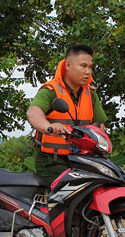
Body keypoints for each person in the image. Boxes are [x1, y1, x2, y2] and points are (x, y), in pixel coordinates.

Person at [26, 44, 109, 184]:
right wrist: (49, 127)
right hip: (53, 160)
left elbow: (100, 125)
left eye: (90, 67)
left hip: (82, 159)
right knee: (69, 196)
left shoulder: (91, 93)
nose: (88, 72)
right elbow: (33, 112)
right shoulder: (51, 90)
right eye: (83, 66)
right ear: (68, 65)